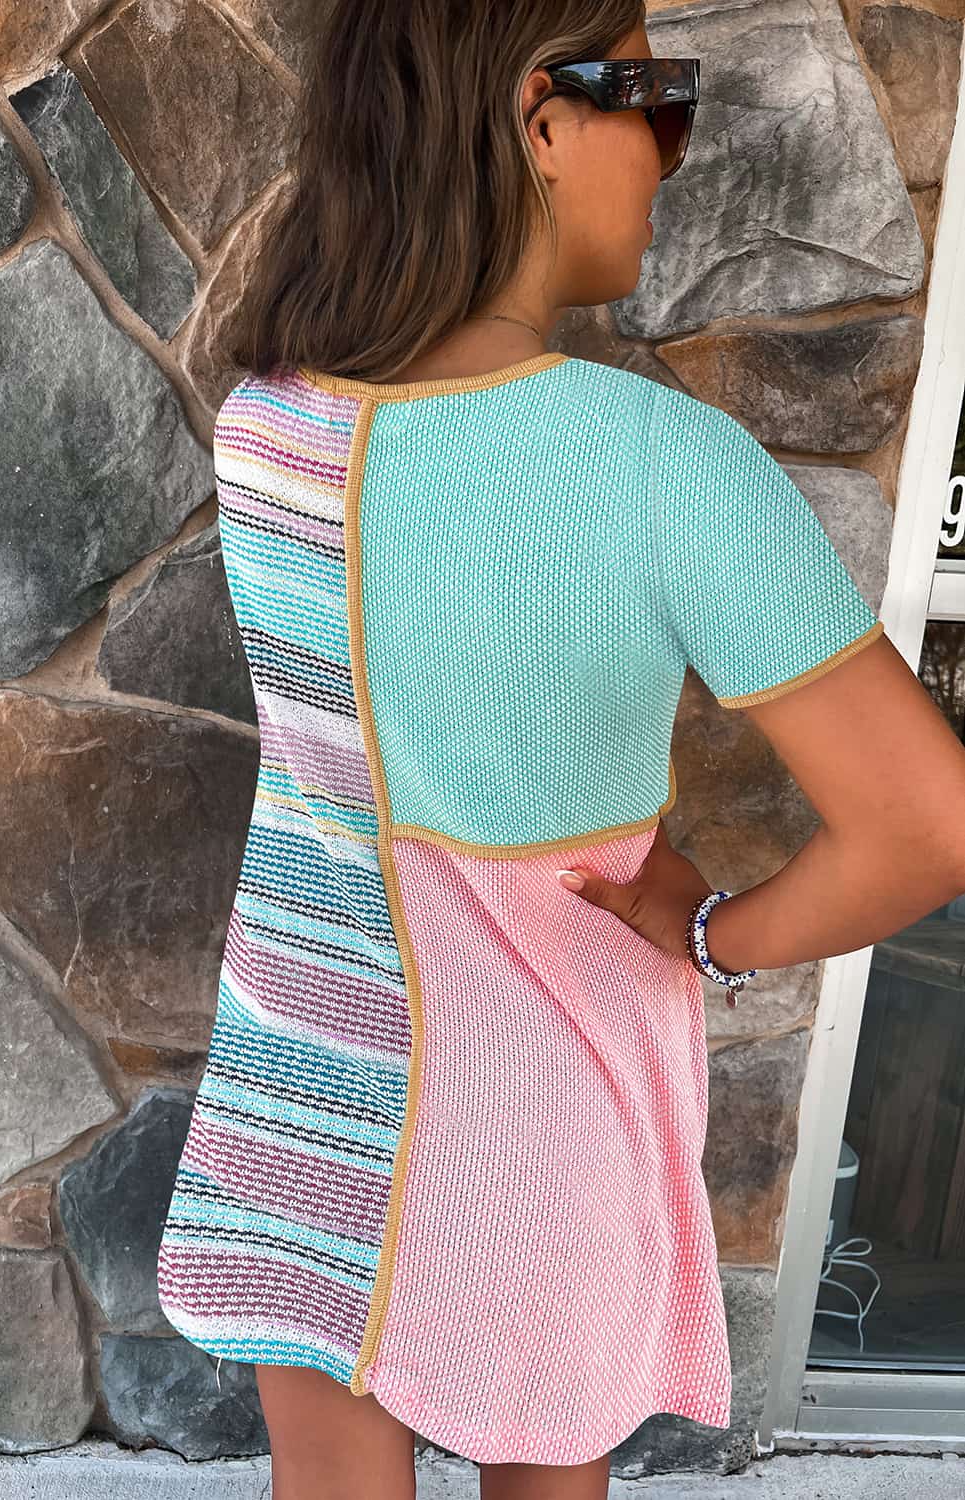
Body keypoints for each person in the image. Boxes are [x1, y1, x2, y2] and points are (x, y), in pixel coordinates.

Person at [155, 3, 965, 1497]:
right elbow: (927, 826)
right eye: (654, 98)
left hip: (308, 1057)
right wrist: (717, 934)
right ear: (541, 121)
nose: (671, 149)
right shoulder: (661, 465)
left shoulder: (264, 427)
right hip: (550, 1092)